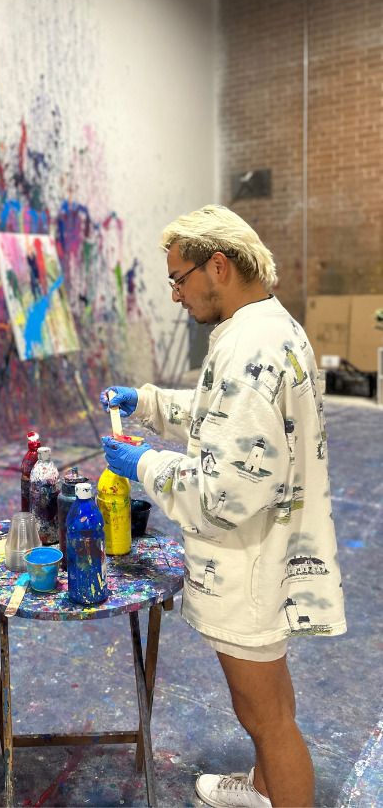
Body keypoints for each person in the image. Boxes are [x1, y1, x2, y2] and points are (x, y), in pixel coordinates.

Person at [100, 205, 346, 808]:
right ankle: (262, 787)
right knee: (271, 706)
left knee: (267, 719)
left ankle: (280, 790)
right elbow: (227, 416)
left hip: (250, 566)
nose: (176, 295)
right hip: (267, 552)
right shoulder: (267, 327)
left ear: (218, 266)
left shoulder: (248, 346)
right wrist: (149, 404)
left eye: (179, 279)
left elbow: (223, 492)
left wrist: (145, 464)